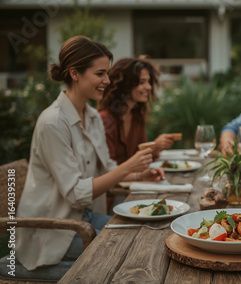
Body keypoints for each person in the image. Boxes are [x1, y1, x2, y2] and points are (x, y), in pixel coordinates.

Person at [14, 36, 164, 279]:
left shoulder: (92, 117)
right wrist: (128, 166)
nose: (107, 80)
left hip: (83, 217)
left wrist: (139, 173)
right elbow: (75, 194)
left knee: (149, 233)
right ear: (75, 73)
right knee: (132, 254)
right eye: (100, 73)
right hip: (53, 229)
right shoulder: (53, 123)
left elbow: (107, 170)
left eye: (107, 73)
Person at [98, 57, 175, 164]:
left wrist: (155, 148)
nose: (148, 87)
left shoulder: (137, 115)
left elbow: (139, 157)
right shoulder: (105, 119)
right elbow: (107, 168)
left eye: (148, 82)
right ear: (125, 84)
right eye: (142, 82)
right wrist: (153, 146)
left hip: (133, 179)